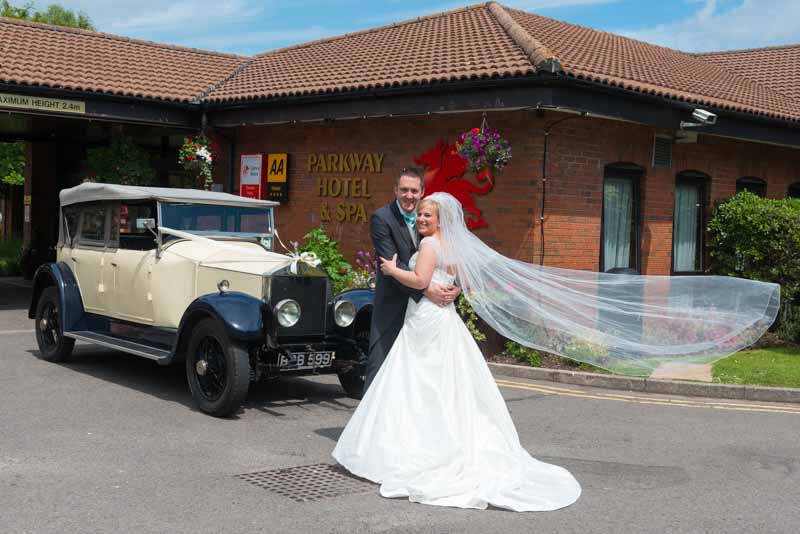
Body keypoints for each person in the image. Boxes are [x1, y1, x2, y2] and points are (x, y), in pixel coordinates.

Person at [333, 194, 582, 511]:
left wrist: (393, 270)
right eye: (420, 214)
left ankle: (410, 448)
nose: (421, 219)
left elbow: (421, 280)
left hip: (425, 320)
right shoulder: (452, 246)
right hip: (445, 319)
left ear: (440, 220)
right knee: (445, 384)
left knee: (415, 382)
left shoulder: (429, 246)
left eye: (427, 215)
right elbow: (462, 280)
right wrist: (453, 290)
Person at [363, 168, 459, 394]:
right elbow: (391, 265)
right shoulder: (382, 218)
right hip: (394, 303)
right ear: (395, 190)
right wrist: (426, 290)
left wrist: (456, 288)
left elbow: (453, 258)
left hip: (427, 310)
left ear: (422, 192)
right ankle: (372, 423)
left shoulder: (428, 217)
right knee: (382, 363)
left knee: (423, 369)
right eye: (404, 190)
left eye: (414, 191)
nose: (409, 195)